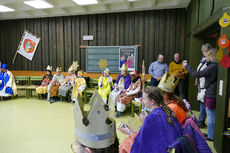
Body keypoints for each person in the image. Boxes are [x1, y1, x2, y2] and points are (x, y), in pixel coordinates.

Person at [118, 86, 183, 153]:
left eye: (144, 99)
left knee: (125, 144)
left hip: (163, 150)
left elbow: (142, 142)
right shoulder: (167, 110)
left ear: (152, 102)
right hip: (174, 148)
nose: (142, 100)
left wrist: (129, 132)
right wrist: (146, 121)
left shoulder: (151, 117)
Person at [183, 48, 218, 141]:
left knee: (211, 116)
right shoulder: (213, 66)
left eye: (206, 56)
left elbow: (196, 74)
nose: (205, 58)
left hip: (211, 93)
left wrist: (187, 66)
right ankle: (210, 133)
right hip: (211, 92)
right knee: (211, 115)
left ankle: (211, 136)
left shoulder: (212, 67)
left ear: (211, 56)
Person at [196, 43, 212, 128]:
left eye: (205, 50)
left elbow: (202, 73)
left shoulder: (210, 60)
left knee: (204, 106)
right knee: (202, 105)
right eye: (203, 50)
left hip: (205, 86)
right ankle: (201, 121)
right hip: (200, 85)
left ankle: (200, 122)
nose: (204, 52)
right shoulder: (203, 59)